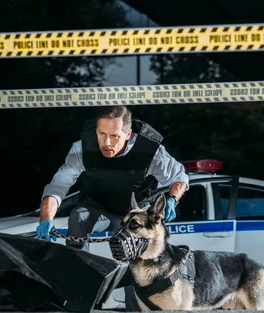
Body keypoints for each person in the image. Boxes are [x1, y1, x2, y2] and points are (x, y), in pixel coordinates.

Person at [35, 105, 189, 251]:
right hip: (98, 210)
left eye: (114, 136)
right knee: (78, 216)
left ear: (128, 134)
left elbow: (179, 176)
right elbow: (58, 185)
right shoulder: (82, 149)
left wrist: (172, 199)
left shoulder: (150, 153)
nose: (106, 143)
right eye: (102, 134)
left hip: (135, 213)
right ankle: (78, 268)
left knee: (146, 243)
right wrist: (46, 218)